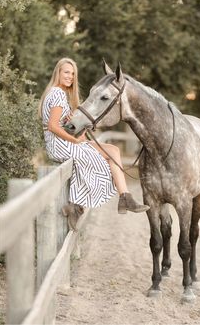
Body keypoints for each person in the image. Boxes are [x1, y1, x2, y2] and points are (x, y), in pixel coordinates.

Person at [39, 58, 150, 230]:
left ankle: (125, 197)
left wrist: (75, 127)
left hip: (64, 142)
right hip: (60, 145)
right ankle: (77, 205)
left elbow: (61, 125)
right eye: (66, 72)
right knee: (102, 164)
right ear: (58, 73)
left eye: (73, 73)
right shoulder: (57, 93)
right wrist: (74, 140)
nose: (70, 76)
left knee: (113, 150)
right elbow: (53, 126)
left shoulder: (58, 94)